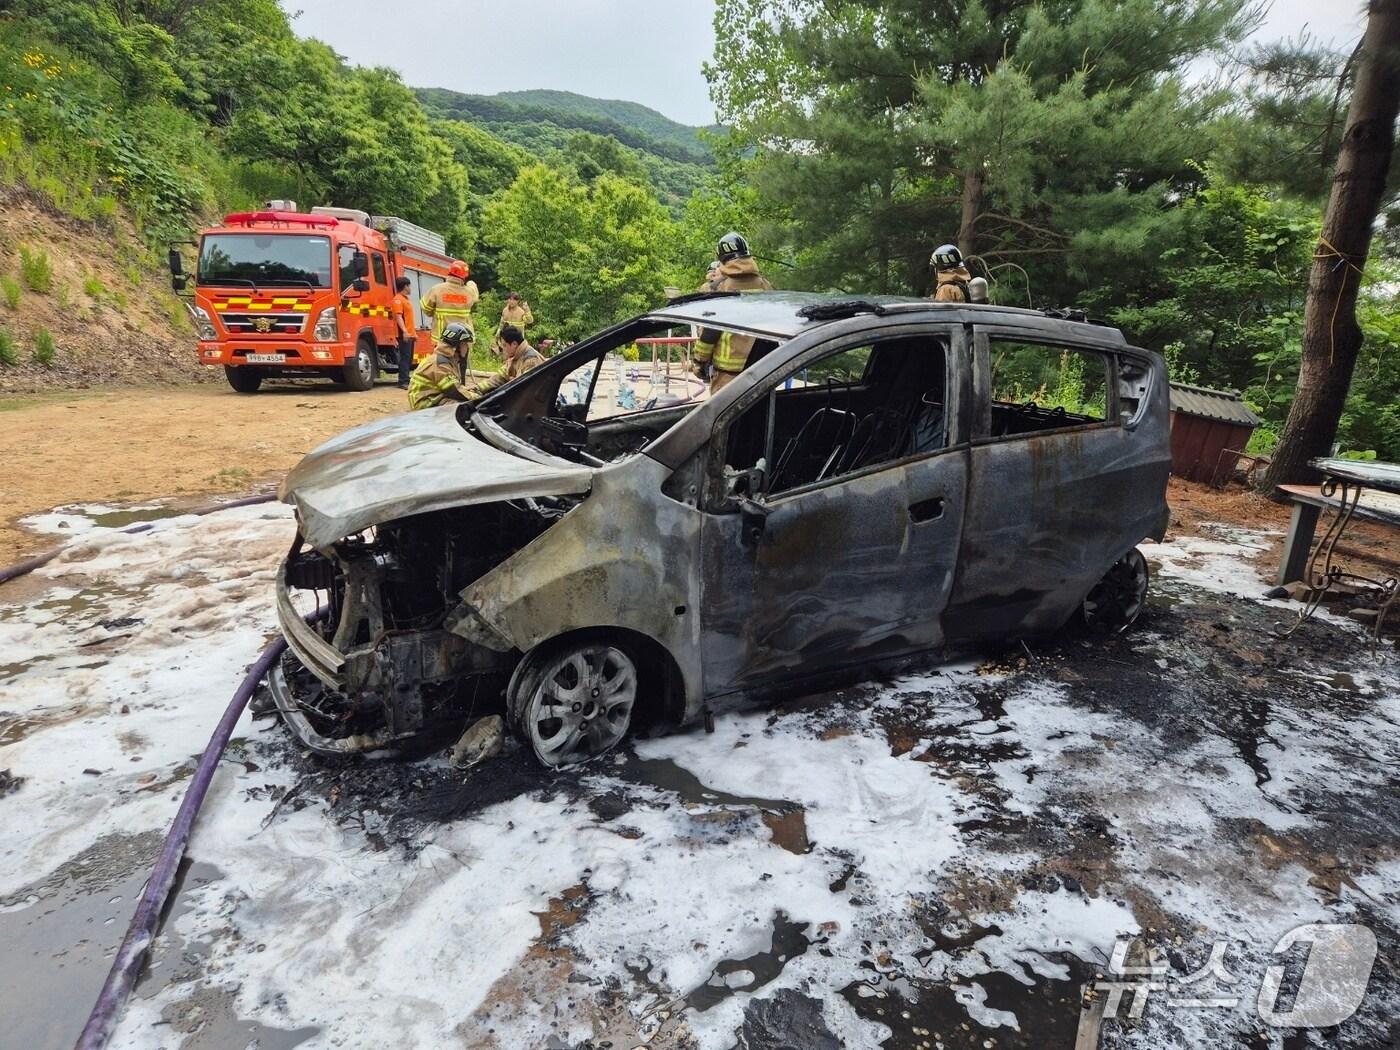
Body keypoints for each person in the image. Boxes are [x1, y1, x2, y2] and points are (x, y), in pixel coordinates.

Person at [691, 232, 773, 393]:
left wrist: (699, 362)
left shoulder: (718, 288)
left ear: (721, 258)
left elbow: (709, 332)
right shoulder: (765, 286)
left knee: (724, 417)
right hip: (761, 371)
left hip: (727, 377)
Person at [407, 322, 475, 411]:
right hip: (424, 405)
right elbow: (454, 391)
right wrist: (478, 398)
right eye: (465, 344)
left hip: (432, 398)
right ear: (457, 345)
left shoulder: (447, 359)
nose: (467, 347)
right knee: (461, 408)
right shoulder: (440, 364)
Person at [468, 325, 545, 399]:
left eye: (505, 345)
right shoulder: (516, 356)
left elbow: (523, 389)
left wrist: (512, 381)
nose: (504, 349)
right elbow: (500, 377)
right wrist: (478, 388)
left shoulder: (531, 360)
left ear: (514, 344)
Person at [420, 261, 479, 342]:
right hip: (462, 339)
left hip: (442, 338)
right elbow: (475, 295)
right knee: (462, 355)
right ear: (464, 277)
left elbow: (426, 308)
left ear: (450, 272)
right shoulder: (469, 292)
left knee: (441, 355)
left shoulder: (437, 289)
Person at [391, 276, 416, 389]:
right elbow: (398, 317)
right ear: (405, 286)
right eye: (409, 286)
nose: (410, 288)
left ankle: (406, 378)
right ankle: (403, 381)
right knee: (405, 358)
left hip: (410, 334)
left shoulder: (405, 299)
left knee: (409, 358)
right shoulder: (398, 299)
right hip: (404, 334)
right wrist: (405, 332)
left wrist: (413, 334)